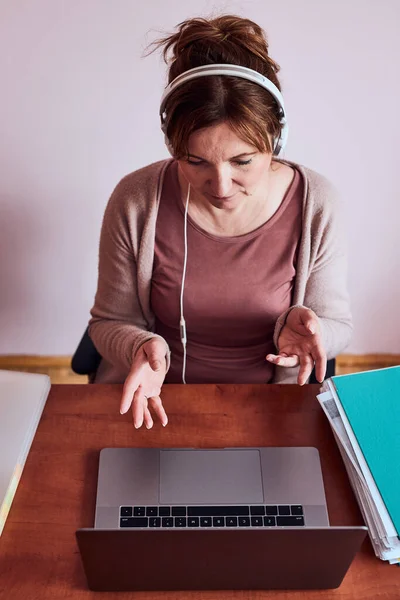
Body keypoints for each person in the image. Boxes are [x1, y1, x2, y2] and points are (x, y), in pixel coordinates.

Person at [88, 15, 352, 429]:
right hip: (152, 408)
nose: (222, 186)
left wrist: (314, 333)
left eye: (242, 161)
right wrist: (139, 346)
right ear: (173, 145)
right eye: (196, 162)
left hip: (274, 414)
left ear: (276, 140)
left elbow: (337, 325)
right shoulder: (137, 200)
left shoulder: (316, 204)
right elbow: (108, 323)